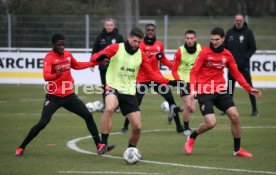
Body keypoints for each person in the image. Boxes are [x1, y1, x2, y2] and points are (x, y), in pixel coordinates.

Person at [15, 33, 114, 156]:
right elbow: (46, 77)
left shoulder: (67, 54)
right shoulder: (49, 58)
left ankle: (100, 146)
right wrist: (57, 73)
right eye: (59, 45)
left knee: (88, 116)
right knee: (42, 123)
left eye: (63, 44)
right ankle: (21, 147)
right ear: (53, 45)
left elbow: (77, 65)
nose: (62, 47)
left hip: (69, 96)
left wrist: (96, 63)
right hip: (54, 97)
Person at [90, 28, 181, 154]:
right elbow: (94, 57)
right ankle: (103, 144)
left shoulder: (141, 55)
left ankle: (131, 150)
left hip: (129, 91)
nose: (136, 45)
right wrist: (102, 57)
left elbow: (152, 75)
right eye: (134, 41)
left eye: (139, 42)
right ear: (129, 37)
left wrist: (171, 82)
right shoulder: (116, 48)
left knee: (137, 126)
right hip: (113, 87)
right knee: (109, 108)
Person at [184, 27, 262, 157]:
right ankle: (192, 136)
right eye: (212, 39)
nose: (214, 42)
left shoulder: (227, 55)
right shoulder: (204, 53)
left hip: (220, 91)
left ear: (223, 39)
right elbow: (194, 72)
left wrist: (249, 88)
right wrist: (193, 89)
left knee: (235, 116)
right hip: (204, 92)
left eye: (217, 39)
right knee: (211, 123)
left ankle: (237, 150)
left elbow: (236, 74)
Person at [120, 23, 184, 134]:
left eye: (152, 30)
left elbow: (163, 60)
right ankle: (125, 126)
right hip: (142, 79)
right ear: (145, 31)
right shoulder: (140, 45)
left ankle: (179, 126)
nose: (150, 31)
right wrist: (155, 57)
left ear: (155, 31)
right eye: (148, 30)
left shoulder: (159, 45)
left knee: (171, 99)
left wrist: (175, 68)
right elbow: (142, 62)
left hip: (156, 78)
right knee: (135, 103)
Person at [224, 13, 258, 116]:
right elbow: (224, 48)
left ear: (243, 21)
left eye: (240, 20)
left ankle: (255, 110)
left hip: (244, 67)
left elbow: (253, 48)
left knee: (249, 87)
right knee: (229, 89)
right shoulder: (229, 33)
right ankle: (226, 109)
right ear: (234, 21)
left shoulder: (248, 32)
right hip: (231, 67)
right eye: (237, 20)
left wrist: (245, 58)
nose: (238, 22)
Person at [172, 30, 203, 136]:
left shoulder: (201, 49)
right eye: (187, 38)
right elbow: (174, 70)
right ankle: (186, 128)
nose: (189, 40)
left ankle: (175, 110)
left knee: (192, 109)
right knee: (188, 105)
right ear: (185, 39)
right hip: (183, 81)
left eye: (191, 38)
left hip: (196, 82)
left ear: (195, 39)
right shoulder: (180, 51)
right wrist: (179, 82)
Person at [92, 18, 124, 112]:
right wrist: (92, 63)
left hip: (115, 67)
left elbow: (123, 51)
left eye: (111, 25)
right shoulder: (100, 37)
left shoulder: (119, 37)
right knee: (105, 86)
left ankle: (117, 106)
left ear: (114, 26)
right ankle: (107, 106)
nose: (109, 27)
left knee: (115, 86)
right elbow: (95, 51)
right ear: (104, 26)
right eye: (107, 25)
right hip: (103, 67)